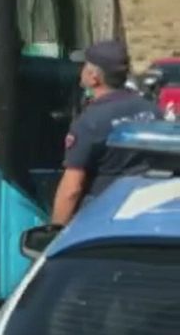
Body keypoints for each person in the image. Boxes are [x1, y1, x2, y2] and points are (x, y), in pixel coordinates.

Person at [51, 40, 161, 225]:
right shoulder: (153, 111)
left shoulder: (90, 122)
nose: (81, 70)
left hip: (102, 219)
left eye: (84, 66)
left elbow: (72, 189)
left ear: (94, 77)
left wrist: (53, 233)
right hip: (147, 213)